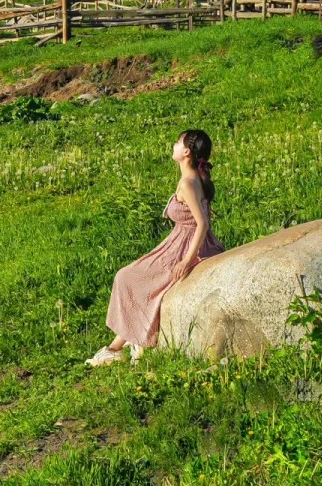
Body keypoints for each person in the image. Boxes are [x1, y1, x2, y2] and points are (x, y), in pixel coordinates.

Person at [86, 128, 224, 366]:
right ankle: (122, 344)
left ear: (187, 152)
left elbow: (202, 223)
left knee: (126, 277)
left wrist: (187, 260)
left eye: (177, 143)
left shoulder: (188, 183)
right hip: (182, 241)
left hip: (187, 246)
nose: (173, 146)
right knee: (133, 278)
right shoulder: (194, 179)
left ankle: (122, 345)